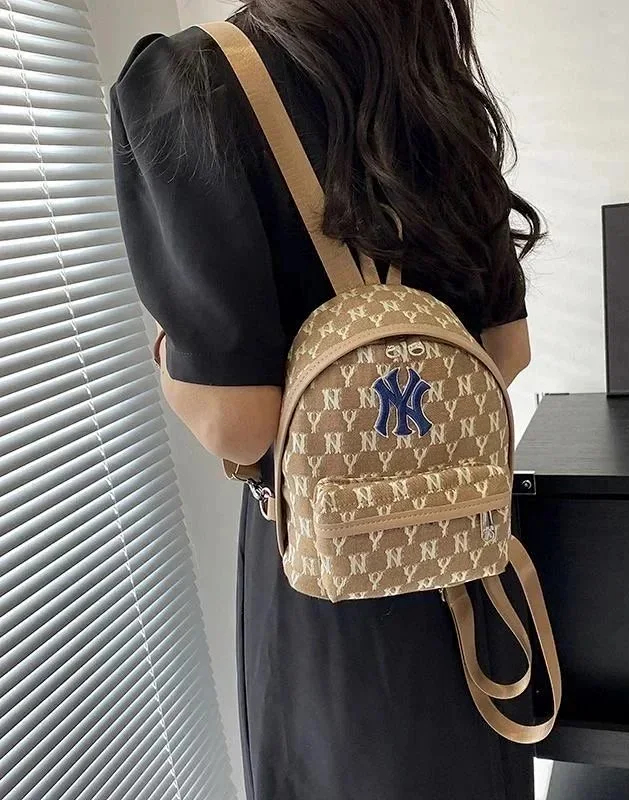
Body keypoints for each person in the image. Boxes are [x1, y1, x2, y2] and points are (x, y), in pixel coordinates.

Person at [110, 2, 546, 798]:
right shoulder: (427, 70)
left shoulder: (189, 82)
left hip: (328, 579)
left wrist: (171, 358)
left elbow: (241, 427)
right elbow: (506, 354)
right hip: (464, 550)